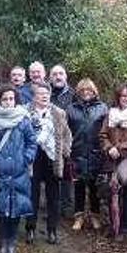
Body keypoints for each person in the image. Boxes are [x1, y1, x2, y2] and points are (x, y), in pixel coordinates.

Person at [0, 84, 37, 253]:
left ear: (16, 100)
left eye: (11, 98)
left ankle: (12, 243)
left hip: (19, 172)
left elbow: (32, 142)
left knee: (15, 209)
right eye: (5, 99)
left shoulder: (23, 119)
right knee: (0, 209)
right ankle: (2, 243)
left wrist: (26, 158)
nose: (8, 102)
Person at [25, 82, 72, 245]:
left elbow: (67, 134)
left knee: (54, 196)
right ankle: (30, 228)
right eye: (40, 93)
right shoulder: (25, 112)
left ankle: (52, 230)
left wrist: (65, 152)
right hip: (33, 157)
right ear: (34, 96)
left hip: (53, 158)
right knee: (33, 195)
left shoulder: (59, 113)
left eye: (47, 93)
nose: (44, 96)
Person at [67, 78, 109, 232]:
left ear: (94, 92)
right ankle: (78, 217)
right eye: (83, 90)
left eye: (89, 90)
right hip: (76, 152)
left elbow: (106, 130)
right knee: (78, 186)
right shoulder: (71, 109)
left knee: (93, 187)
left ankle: (95, 216)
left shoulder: (103, 108)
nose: (86, 93)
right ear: (78, 92)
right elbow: (66, 131)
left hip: (95, 153)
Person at [100, 83, 127, 240]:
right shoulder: (111, 114)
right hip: (111, 159)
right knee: (111, 192)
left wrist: (121, 148)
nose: (125, 98)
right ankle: (113, 225)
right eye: (122, 96)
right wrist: (109, 148)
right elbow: (103, 134)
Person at [49, 64, 75, 217]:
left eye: (61, 74)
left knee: (67, 174)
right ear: (50, 77)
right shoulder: (47, 94)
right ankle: (53, 205)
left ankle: (66, 206)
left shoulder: (73, 94)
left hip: (68, 139)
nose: (58, 77)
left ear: (66, 76)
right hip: (50, 141)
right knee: (52, 174)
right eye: (55, 74)